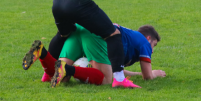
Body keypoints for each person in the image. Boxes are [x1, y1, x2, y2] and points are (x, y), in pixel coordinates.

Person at [47, 0, 151, 88]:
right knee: (113, 35)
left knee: (65, 34)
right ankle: (119, 79)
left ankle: (48, 74)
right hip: (78, 1)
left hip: (58, 1)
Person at [22, 24, 166, 87]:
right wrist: (155, 73)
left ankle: (42, 52)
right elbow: (147, 76)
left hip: (79, 30)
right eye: (154, 45)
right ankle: (69, 69)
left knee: (61, 79)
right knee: (105, 79)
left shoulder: (131, 39)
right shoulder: (144, 43)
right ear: (149, 39)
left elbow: (116, 69)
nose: (152, 50)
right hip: (93, 35)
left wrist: (134, 74)